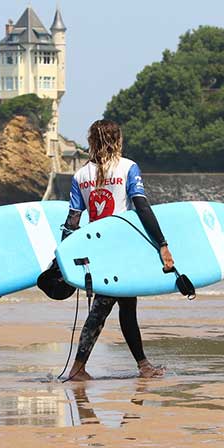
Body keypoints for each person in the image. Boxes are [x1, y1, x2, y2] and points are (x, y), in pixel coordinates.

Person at [62, 119, 174, 381]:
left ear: (91, 142)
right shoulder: (128, 168)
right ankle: (79, 368)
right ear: (118, 140)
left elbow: (72, 221)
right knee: (104, 308)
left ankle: (142, 365)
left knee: (125, 304)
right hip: (120, 249)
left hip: (96, 248)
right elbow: (142, 207)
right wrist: (162, 244)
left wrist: (64, 257)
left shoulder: (80, 176)